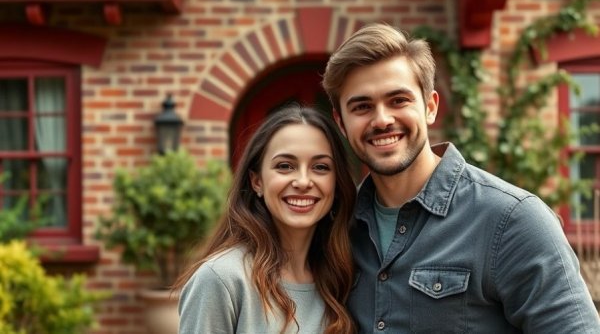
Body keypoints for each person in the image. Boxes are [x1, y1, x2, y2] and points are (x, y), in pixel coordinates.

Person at [322, 23, 600, 333]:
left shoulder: (512, 221)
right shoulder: (339, 229)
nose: (382, 119)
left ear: (430, 107)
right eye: (362, 106)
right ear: (342, 123)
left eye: (399, 100)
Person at [174, 104, 356, 334]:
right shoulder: (222, 278)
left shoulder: (341, 279)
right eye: (285, 166)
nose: (303, 181)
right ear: (257, 181)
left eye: (320, 167)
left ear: (336, 184)